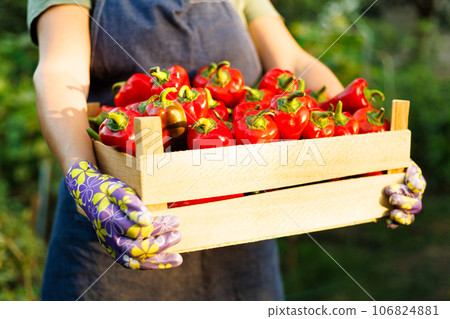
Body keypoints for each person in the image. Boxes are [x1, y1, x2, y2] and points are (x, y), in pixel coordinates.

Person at [28, 0, 426, 301]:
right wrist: (84, 177)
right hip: (119, 223)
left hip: (243, 233)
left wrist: (368, 143)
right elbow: (61, 69)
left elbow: (291, 60)